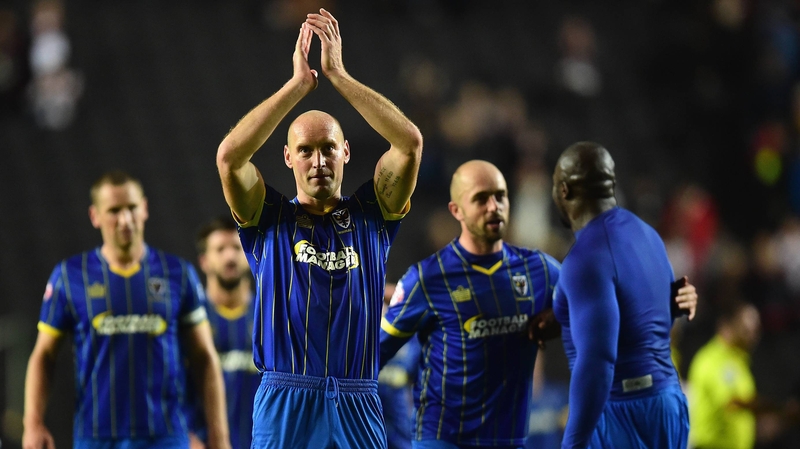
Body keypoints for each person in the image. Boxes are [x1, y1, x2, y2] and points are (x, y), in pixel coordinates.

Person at [215, 8, 423, 448]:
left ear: (346, 152)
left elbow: (408, 143)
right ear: (288, 158)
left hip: (358, 400)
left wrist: (338, 75)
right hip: (285, 398)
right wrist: (297, 87)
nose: (318, 160)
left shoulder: (373, 214)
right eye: (305, 150)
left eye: (328, 148)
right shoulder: (268, 218)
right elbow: (230, 158)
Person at [379, 160, 696, 449]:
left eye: (500, 196)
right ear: (456, 210)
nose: (494, 207)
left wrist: (670, 297)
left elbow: (606, 303)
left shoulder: (540, 271)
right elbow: (370, 357)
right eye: (481, 198)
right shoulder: (426, 279)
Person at [22, 171, 230, 449]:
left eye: (131, 208)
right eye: (114, 211)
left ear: (144, 208)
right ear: (95, 216)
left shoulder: (178, 273)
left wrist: (219, 437)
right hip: (96, 438)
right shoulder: (70, 276)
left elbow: (205, 358)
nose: (125, 219)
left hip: (166, 437)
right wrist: (32, 423)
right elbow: (43, 355)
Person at [551, 142, 691, 449]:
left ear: (564, 190)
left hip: (621, 410)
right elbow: (663, 317)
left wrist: (572, 443)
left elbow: (598, 361)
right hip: (668, 400)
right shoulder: (648, 235)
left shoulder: (585, 256)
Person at [192, 217, 260, 449]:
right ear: (204, 261)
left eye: (237, 248)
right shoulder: (189, 321)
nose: (230, 257)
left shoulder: (271, 317)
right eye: (220, 249)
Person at [686, 300, 760, 449]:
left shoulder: (739, 360)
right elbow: (732, 402)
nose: (753, 335)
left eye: (756, 329)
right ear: (729, 326)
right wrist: (775, 410)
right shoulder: (712, 359)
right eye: (746, 328)